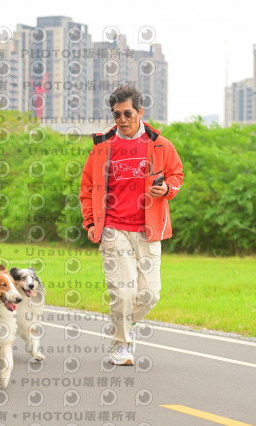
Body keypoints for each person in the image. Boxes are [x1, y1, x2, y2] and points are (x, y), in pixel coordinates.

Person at [79, 85, 183, 366]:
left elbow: (176, 175)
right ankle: (121, 346)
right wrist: (90, 222)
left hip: (149, 229)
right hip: (113, 229)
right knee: (123, 292)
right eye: (117, 114)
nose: (122, 119)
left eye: (127, 113)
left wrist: (168, 189)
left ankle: (125, 323)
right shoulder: (102, 147)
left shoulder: (160, 144)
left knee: (149, 294)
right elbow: (87, 189)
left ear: (140, 111)